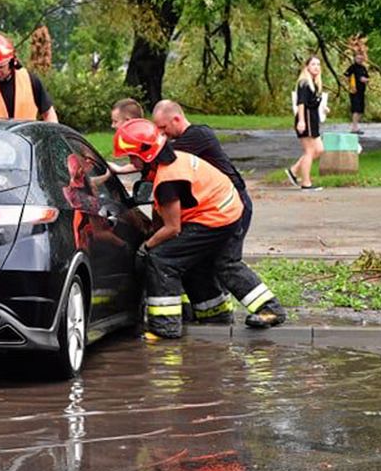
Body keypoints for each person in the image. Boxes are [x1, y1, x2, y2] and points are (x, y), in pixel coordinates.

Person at [114, 118, 286, 338]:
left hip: (214, 218)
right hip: (229, 210)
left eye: (132, 157)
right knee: (222, 264)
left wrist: (146, 247)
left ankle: (165, 327)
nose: (130, 161)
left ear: (146, 155)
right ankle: (229, 314)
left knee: (162, 259)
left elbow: (173, 228)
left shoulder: (168, 179)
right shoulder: (172, 161)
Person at [152, 99, 253, 324]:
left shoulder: (195, 137)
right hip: (219, 204)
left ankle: (269, 309)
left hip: (230, 205)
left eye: (162, 128)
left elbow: (158, 156)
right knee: (204, 262)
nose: (161, 134)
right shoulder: (190, 138)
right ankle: (215, 315)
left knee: (226, 263)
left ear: (176, 119)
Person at [285, 56, 325, 191]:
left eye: (318, 65)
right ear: (307, 67)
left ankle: (294, 170)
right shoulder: (304, 83)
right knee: (309, 151)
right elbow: (301, 103)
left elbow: (314, 102)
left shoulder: (315, 83)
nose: (316, 67)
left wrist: (324, 108)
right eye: (313, 64)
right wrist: (301, 121)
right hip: (306, 119)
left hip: (313, 119)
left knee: (319, 150)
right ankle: (306, 183)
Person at [342, 52, 370, 134]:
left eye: (361, 58)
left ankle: (356, 127)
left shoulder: (363, 68)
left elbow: (368, 78)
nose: (359, 60)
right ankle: (354, 128)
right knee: (356, 109)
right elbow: (345, 76)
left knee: (361, 110)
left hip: (362, 91)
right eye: (358, 58)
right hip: (354, 91)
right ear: (354, 58)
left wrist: (365, 80)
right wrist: (350, 83)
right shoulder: (352, 67)